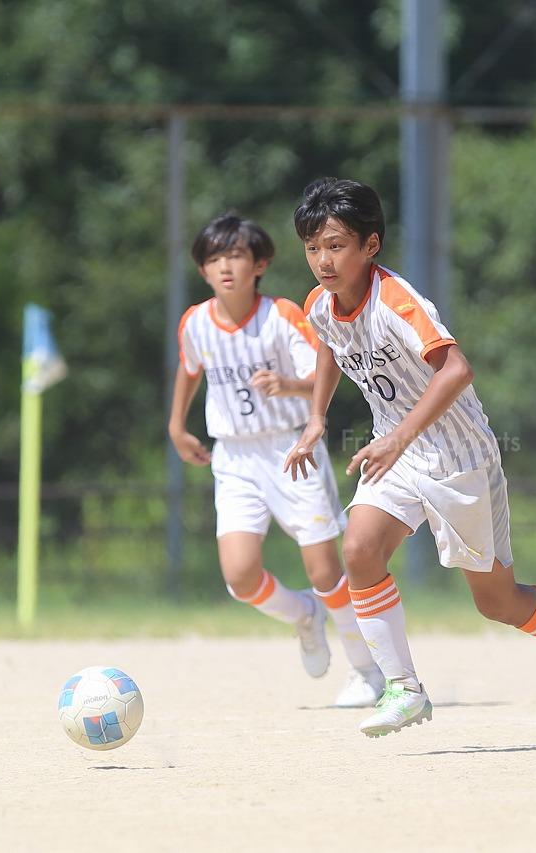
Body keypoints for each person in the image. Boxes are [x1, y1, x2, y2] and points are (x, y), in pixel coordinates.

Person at [282, 178, 536, 738]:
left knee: (498, 602)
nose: (323, 260)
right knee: (360, 549)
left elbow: (457, 370)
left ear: (370, 246)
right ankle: (404, 688)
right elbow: (328, 342)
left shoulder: (397, 303)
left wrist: (399, 438)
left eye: (337, 245)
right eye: (312, 247)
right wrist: (317, 419)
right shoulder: (320, 304)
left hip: (458, 457)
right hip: (396, 451)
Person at [168, 212, 385, 708]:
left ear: (260, 263)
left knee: (325, 572)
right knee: (240, 576)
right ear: (202, 270)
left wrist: (287, 385)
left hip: (290, 449)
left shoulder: (282, 315)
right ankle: (303, 615)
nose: (226, 267)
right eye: (214, 258)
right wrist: (177, 426)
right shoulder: (195, 322)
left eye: (236, 256)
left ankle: (367, 670)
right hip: (234, 456)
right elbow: (189, 368)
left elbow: (325, 376)